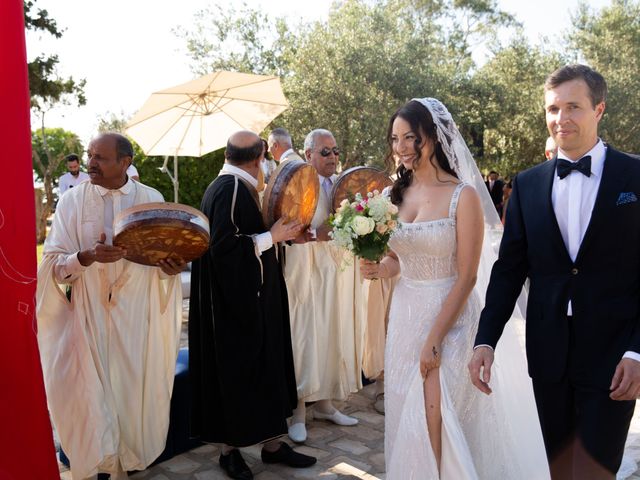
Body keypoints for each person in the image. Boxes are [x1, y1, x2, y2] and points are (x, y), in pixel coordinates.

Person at [361, 98, 549, 479]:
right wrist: (378, 267)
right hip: (404, 317)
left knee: (436, 412)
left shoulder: (462, 196)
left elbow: (467, 276)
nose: (400, 148)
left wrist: (435, 337)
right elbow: (400, 259)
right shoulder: (390, 197)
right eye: (395, 139)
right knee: (407, 412)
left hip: (451, 317)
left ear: (431, 137)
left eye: (410, 137)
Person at [470, 64, 640, 479]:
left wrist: (638, 351)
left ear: (598, 109)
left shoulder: (635, 175)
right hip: (548, 355)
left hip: (615, 355)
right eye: (552, 108)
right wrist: (485, 340)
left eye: (573, 107)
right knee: (561, 470)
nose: (560, 118)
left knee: (597, 471)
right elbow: (509, 270)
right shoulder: (527, 184)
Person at [36, 133, 185, 480]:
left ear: (126, 162)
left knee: (131, 398)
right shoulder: (71, 202)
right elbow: (54, 265)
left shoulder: (152, 199)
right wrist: (85, 257)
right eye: (90, 155)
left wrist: (170, 270)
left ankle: (123, 466)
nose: (90, 163)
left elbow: (163, 259)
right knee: (92, 401)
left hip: (137, 318)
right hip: (89, 320)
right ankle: (100, 466)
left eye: (100, 157)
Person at [188, 130, 316, 480]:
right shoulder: (228, 189)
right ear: (259, 157)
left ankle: (273, 446)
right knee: (239, 370)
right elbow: (223, 249)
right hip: (235, 306)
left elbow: (256, 232)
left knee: (266, 365)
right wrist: (271, 236)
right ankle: (229, 452)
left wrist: (287, 235)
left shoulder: (240, 187)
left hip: (256, 298)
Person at [284, 128, 367, 443]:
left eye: (335, 151)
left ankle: (326, 404)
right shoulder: (298, 186)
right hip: (307, 273)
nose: (332, 157)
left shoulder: (345, 184)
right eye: (325, 152)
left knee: (334, 333)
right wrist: (316, 235)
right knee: (306, 337)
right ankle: (299, 411)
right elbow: (286, 229)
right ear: (308, 155)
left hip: (339, 273)